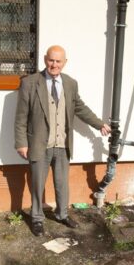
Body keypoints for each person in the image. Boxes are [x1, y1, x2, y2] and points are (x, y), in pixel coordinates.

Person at [15, 45, 111, 236]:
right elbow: (21, 117)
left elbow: (80, 108)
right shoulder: (30, 83)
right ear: (45, 59)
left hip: (62, 144)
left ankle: (62, 214)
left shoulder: (70, 83)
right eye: (51, 60)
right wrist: (21, 142)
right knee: (37, 184)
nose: (54, 64)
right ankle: (37, 218)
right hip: (39, 144)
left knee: (61, 183)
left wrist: (99, 124)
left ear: (64, 63)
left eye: (58, 61)